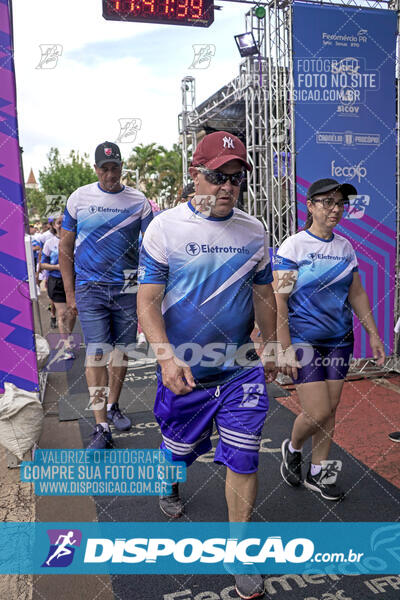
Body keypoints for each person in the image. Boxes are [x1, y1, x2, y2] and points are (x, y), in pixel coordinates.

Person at [137, 131, 277, 600]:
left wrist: (273, 343)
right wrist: (165, 355)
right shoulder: (163, 229)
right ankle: (170, 481)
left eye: (236, 179)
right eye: (217, 176)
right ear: (194, 175)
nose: (227, 187)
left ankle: (238, 552)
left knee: (243, 455)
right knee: (178, 448)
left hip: (240, 368)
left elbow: (262, 292)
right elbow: (148, 301)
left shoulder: (254, 231)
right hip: (186, 371)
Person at [274, 178, 385, 501]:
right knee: (317, 411)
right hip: (304, 341)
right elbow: (280, 300)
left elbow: (357, 293)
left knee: (331, 409)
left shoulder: (345, 248)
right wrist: (284, 348)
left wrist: (374, 335)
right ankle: (293, 448)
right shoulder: (294, 246)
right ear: (309, 205)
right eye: (327, 203)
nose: (335, 210)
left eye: (340, 204)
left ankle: (320, 472)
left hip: (339, 339)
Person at [59, 141, 153, 450]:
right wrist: (71, 292)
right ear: (96, 168)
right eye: (105, 168)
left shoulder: (138, 201)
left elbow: (153, 247)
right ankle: (100, 425)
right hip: (91, 288)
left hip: (127, 287)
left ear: (122, 167)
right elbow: (65, 247)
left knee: (122, 354)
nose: (110, 174)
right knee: (96, 353)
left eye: (115, 167)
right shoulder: (79, 198)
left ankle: (113, 406)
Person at [40, 215, 77, 358]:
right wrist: (57, 266)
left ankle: (68, 336)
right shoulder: (49, 243)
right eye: (58, 223)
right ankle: (67, 345)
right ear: (54, 225)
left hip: (73, 280)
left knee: (72, 312)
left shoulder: (75, 240)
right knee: (62, 314)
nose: (61, 225)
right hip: (56, 282)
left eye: (64, 222)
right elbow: (42, 264)